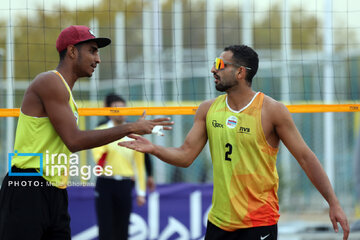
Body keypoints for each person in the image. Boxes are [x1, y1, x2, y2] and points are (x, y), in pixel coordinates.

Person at [119, 45, 350, 240]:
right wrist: (154, 149)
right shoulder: (208, 109)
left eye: (220, 65)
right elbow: (186, 156)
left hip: (258, 222)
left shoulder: (272, 111)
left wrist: (333, 202)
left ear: (240, 72)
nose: (213, 69)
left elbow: (306, 158)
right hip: (219, 223)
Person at [0, 25, 172, 240]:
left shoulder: (65, 93)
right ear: (72, 51)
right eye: (92, 50)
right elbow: (74, 140)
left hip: (54, 189)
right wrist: (130, 127)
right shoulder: (49, 82)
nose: (98, 59)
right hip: (28, 185)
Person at [92, 93, 148, 239]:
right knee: (105, 229)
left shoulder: (132, 133)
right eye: (117, 108)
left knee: (122, 229)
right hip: (105, 183)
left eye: (124, 108)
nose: (121, 112)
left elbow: (139, 166)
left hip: (125, 184)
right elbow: (99, 161)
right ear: (108, 112)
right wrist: (109, 139)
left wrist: (141, 192)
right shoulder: (100, 130)